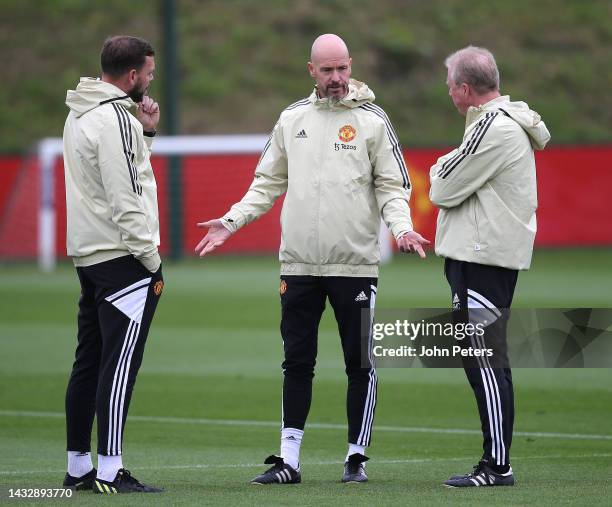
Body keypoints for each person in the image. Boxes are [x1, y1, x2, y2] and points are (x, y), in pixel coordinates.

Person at [196, 33, 429, 484]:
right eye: (328, 70)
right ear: (311, 71)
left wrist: (401, 229)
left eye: (342, 68)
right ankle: (288, 461)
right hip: (298, 265)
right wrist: (231, 220)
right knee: (296, 362)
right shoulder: (291, 120)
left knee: (359, 362)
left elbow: (393, 187)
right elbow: (266, 183)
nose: (338, 78)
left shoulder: (373, 120)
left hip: (354, 265)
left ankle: (356, 458)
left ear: (351, 65)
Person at [429, 46, 550, 487]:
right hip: (481, 254)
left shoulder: (493, 128)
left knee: (484, 357)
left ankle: (498, 465)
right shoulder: (494, 124)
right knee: (479, 356)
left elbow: (441, 186)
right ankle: (495, 461)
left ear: (464, 89)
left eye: (450, 87)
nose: (448, 94)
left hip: (484, 255)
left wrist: (441, 167)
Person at [62, 35, 164, 494]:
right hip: (123, 258)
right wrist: (151, 258)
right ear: (131, 76)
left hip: (89, 254)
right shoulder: (113, 118)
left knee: (88, 362)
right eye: (148, 73)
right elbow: (126, 201)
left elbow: (118, 177)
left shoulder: (79, 111)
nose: (150, 80)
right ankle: (110, 470)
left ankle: (79, 466)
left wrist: (146, 132)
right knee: (119, 366)